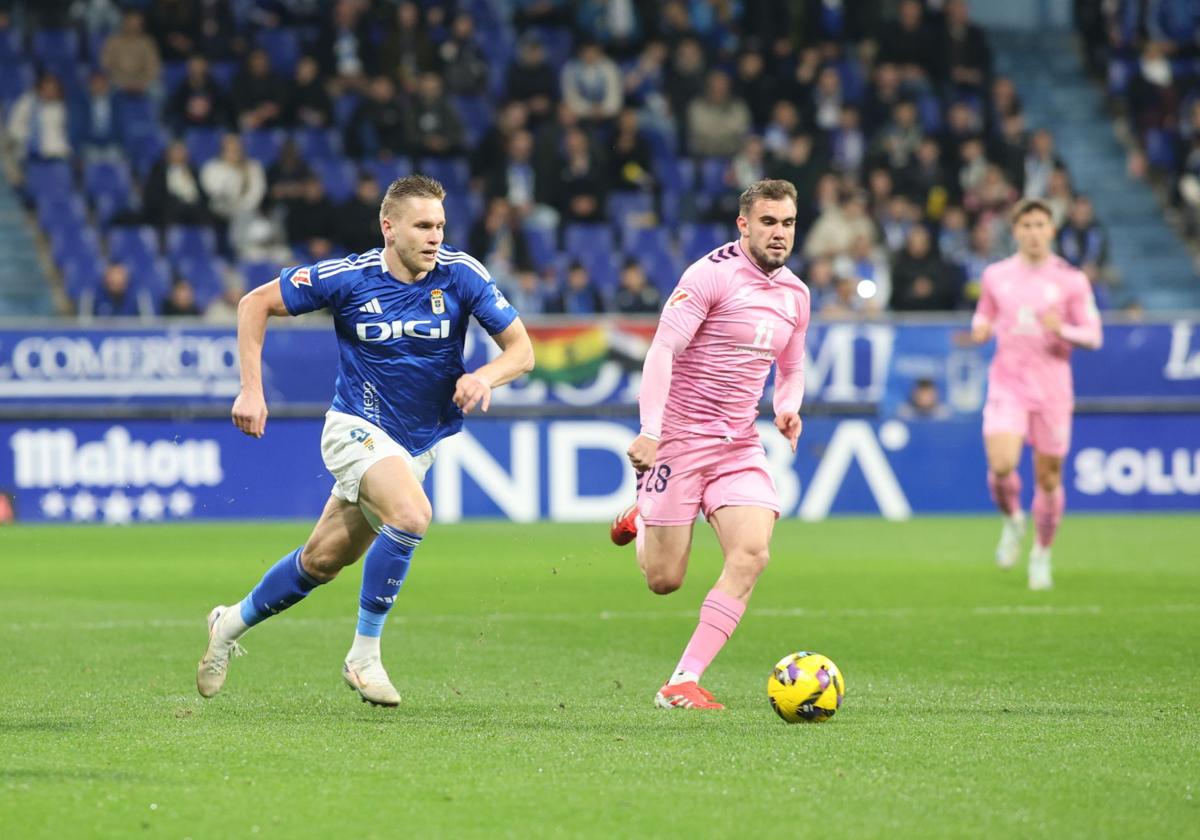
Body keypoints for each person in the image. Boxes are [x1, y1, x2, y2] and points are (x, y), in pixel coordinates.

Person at [196, 175, 535, 706]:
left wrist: (484, 377)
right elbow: (253, 304)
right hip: (356, 426)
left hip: (417, 444)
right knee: (411, 514)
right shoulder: (348, 277)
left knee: (322, 561)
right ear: (389, 227)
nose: (434, 237)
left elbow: (521, 351)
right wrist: (251, 391)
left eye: (440, 226)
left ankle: (228, 624)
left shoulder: (462, 275)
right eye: (423, 226)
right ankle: (364, 655)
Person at [609, 179, 810, 710]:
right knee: (664, 580)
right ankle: (643, 516)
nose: (779, 233)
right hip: (679, 440)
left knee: (752, 554)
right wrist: (652, 430)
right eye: (768, 222)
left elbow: (791, 365)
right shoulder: (709, 276)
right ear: (743, 224)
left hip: (739, 443)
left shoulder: (796, 294)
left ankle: (682, 680)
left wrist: (788, 406)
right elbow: (662, 350)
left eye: (787, 223)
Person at [971, 198, 1102, 590]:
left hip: (1052, 391)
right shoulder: (996, 275)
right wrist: (980, 327)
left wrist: (1062, 329)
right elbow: (985, 312)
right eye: (1025, 224)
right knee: (1002, 464)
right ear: (1015, 230)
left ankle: (1041, 554)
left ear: (1051, 230)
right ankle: (1013, 519)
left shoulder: (1070, 279)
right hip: (1008, 385)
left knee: (1048, 479)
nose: (1032, 231)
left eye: (1039, 224)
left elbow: (1093, 335)